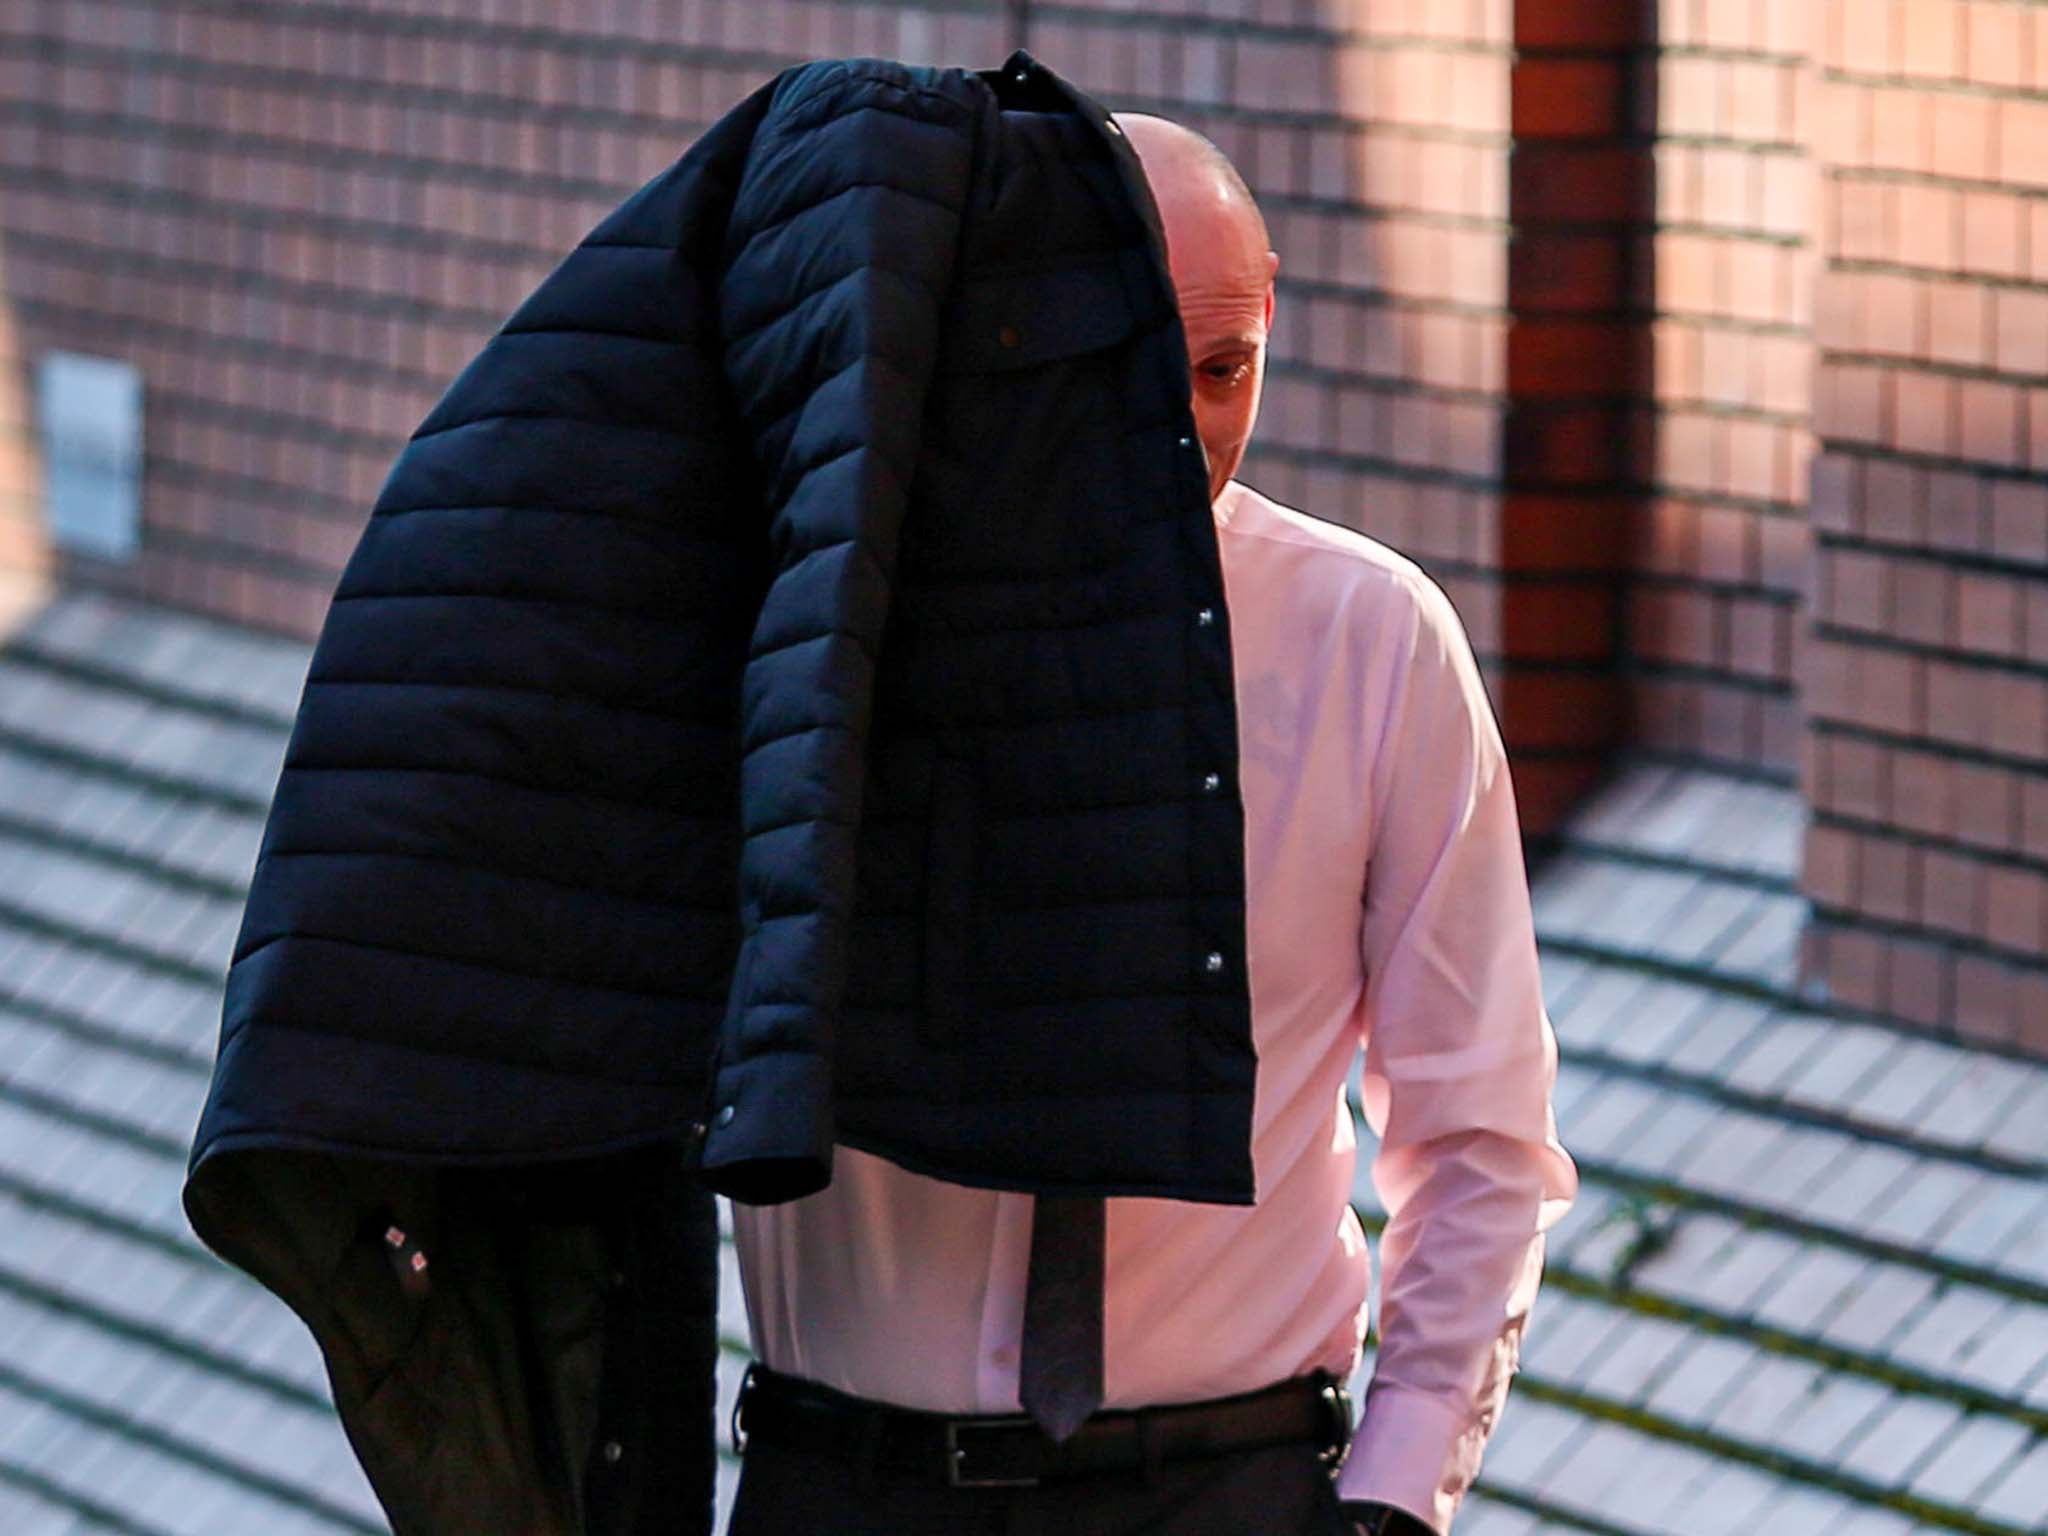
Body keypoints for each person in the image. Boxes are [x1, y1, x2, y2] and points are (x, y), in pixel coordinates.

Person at [718, 110, 1581, 1536]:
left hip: (1227, 1486)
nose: (1180, 427)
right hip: (851, 1481)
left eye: (1224, 369)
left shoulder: (1369, 641)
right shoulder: (808, 628)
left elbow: (1479, 1128)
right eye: (1124, 367)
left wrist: (1396, 1494)